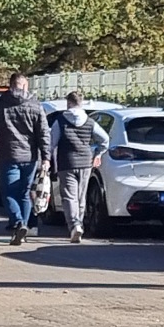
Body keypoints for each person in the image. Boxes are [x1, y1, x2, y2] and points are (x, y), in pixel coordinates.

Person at [0, 72, 50, 245]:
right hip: (30, 157)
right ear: (25, 86)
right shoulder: (36, 106)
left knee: (9, 193)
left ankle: (17, 223)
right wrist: (46, 157)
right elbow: (44, 133)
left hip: (8, 155)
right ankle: (22, 230)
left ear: (10, 86)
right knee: (24, 193)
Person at [49, 90, 110, 242]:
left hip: (67, 162)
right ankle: (80, 224)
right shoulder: (90, 121)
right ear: (81, 103)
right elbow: (104, 139)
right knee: (81, 196)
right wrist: (97, 153)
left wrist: (47, 160)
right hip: (86, 162)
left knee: (69, 196)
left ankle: (74, 225)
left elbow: (51, 143)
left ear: (68, 103)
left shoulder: (60, 120)